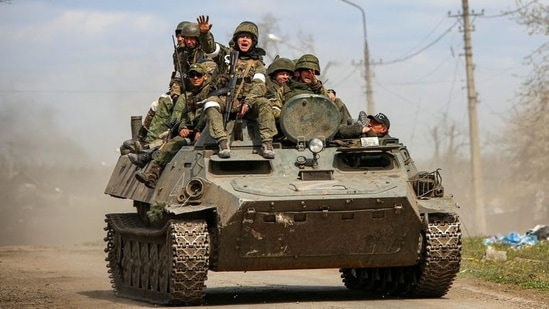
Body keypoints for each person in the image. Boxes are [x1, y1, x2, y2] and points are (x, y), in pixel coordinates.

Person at [199, 19, 278, 159]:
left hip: (249, 103)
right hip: (227, 100)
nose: (245, 40)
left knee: (265, 104)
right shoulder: (227, 57)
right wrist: (205, 34)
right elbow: (210, 49)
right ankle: (222, 141)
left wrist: (248, 102)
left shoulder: (257, 64)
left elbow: (259, 85)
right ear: (236, 39)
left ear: (253, 42)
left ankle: (267, 142)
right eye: (242, 37)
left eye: (248, 37)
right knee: (211, 102)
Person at [135, 63, 214, 188]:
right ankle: (153, 174)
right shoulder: (187, 97)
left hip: (208, 133)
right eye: (192, 75)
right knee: (173, 143)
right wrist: (182, 127)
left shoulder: (211, 92)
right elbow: (182, 117)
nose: (195, 78)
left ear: (205, 76)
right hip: (190, 134)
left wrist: (199, 130)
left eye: (198, 75)